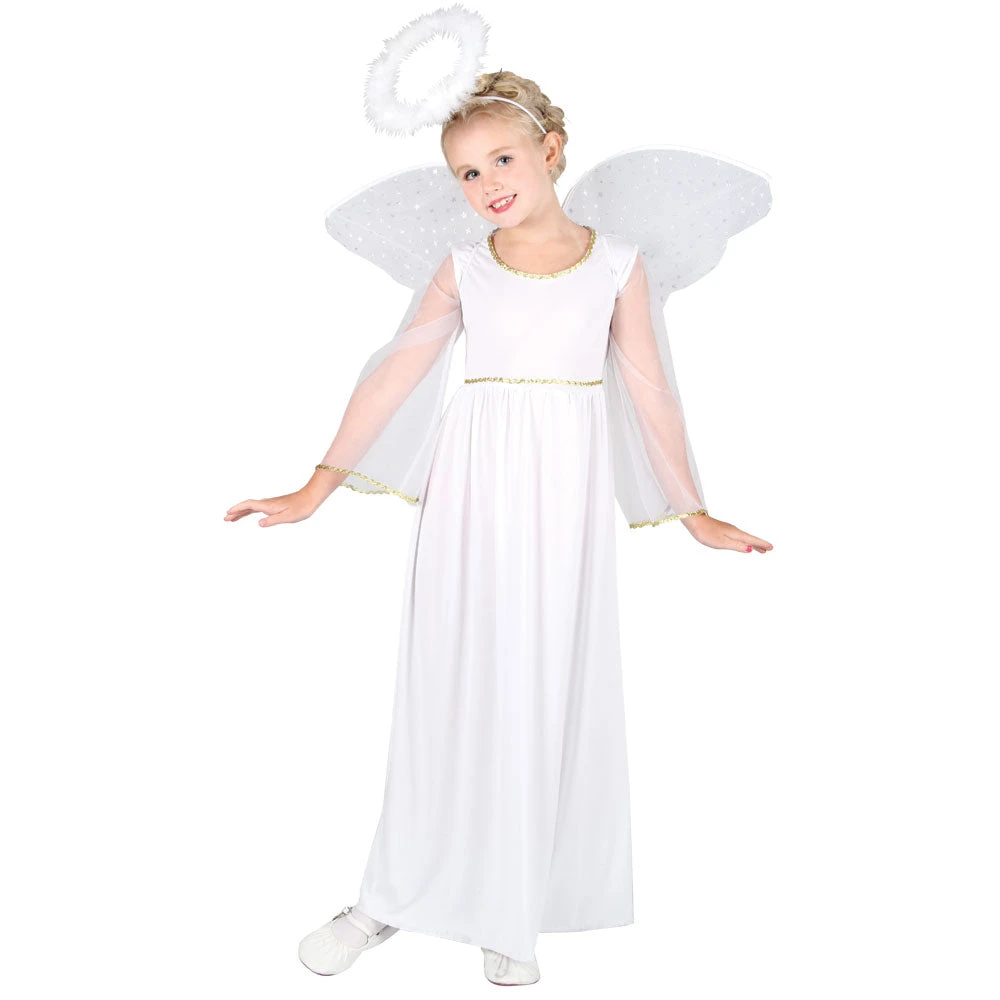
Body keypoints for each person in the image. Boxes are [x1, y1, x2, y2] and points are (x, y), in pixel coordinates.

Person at [225, 69, 773, 987]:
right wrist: (315, 488)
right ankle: (392, 895)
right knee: (446, 680)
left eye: (502, 160)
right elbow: (394, 374)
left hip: (565, 494)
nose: (487, 185)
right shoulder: (465, 266)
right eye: (468, 174)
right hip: (471, 488)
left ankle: (510, 905)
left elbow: (649, 391)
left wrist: (693, 510)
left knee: (541, 683)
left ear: (551, 152)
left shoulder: (617, 263)